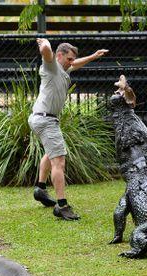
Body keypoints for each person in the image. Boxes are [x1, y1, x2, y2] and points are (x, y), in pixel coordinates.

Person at [28, 38, 108, 221]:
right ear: (59, 56)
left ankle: (40, 188)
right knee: (59, 161)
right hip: (45, 120)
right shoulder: (52, 66)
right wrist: (45, 43)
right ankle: (62, 206)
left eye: (73, 59)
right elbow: (47, 52)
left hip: (42, 118)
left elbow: (76, 64)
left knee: (51, 153)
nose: (71, 62)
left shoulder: (63, 70)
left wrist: (94, 56)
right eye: (69, 59)